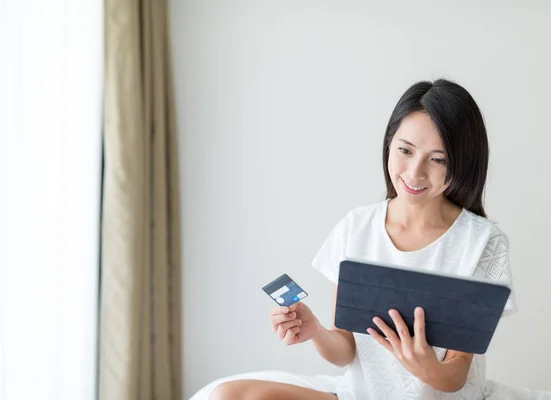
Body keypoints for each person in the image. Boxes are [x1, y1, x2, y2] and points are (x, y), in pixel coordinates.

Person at [203, 79, 517, 400]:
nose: (415, 171)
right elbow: (345, 351)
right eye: (405, 150)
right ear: (389, 144)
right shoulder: (358, 226)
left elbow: (456, 373)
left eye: (437, 159)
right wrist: (316, 332)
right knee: (228, 394)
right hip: (360, 395)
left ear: (463, 163)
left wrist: (424, 366)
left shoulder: (482, 243)